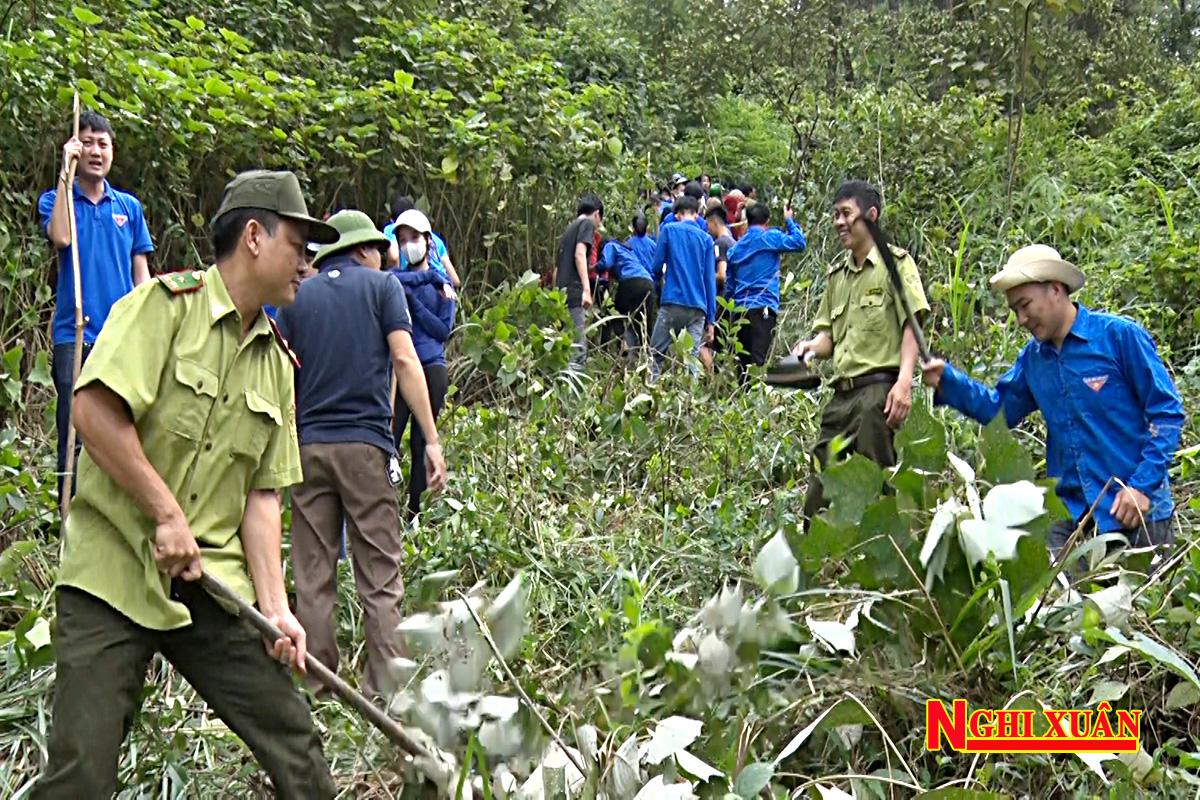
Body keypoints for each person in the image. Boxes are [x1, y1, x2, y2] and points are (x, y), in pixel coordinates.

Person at [31, 170, 340, 798]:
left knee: (296, 745)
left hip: (212, 583)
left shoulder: (278, 363)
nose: (305, 265)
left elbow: (261, 496)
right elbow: (93, 411)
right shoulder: (162, 309)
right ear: (254, 236)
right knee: (81, 773)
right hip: (114, 567)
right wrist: (165, 513)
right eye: (298, 247)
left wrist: (277, 610)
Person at [276, 208, 447, 698]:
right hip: (366, 446)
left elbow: (280, 371)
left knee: (312, 572)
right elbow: (404, 357)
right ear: (364, 251)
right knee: (379, 571)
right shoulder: (382, 288)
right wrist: (430, 439)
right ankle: (386, 689)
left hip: (307, 448)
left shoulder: (297, 296)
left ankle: (319, 685)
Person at [922, 244, 1184, 552]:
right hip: (1074, 519)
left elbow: (1166, 413)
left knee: (1145, 597)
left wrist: (1141, 486)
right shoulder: (1034, 360)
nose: (1021, 319)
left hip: (1136, 513)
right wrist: (949, 382)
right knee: (1062, 597)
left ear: (1056, 290)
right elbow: (998, 411)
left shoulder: (1117, 337)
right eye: (1015, 310)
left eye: (1025, 304)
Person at [791, 181, 928, 527]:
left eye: (846, 214)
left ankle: (886, 565)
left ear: (871, 216)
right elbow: (829, 337)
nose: (838, 222)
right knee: (822, 484)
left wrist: (904, 383)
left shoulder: (895, 265)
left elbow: (913, 324)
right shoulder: (837, 277)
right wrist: (810, 348)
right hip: (840, 399)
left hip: (877, 395)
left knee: (879, 486)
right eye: (835, 215)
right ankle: (816, 564)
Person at [38, 111, 154, 502]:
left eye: (102, 143)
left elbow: (142, 275)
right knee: (74, 431)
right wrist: (64, 173)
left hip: (120, 334)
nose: (95, 151)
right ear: (75, 148)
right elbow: (61, 237)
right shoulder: (57, 200)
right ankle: (68, 516)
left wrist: (148, 325)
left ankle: (112, 512)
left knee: (121, 427)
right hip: (76, 334)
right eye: (87, 142)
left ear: (112, 151)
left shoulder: (129, 208)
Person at [389, 209, 456, 519]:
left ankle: (414, 513)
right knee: (388, 438)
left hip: (430, 367)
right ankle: (381, 509)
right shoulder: (397, 281)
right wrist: (426, 278)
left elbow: (442, 331)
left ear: (428, 241)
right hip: (400, 369)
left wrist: (415, 304)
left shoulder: (444, 288)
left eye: (413, 238)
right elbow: (391, 277)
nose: (407, 245)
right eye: (402, 240)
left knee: (420, 442)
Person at [726, 202, 807, 377]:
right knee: (758, 363)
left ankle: (740, 400)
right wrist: (789, 221)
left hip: (740, 312)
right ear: (767, 220)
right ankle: (754, 401)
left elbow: (729, 287)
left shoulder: (735, 249)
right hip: (763, 309)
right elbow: (799, 243)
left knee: (742, 365)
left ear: (747, 220)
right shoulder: (771, 238)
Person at [647, 195, 717, 381]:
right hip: (698, 308)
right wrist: (711, 320)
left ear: (677, 214)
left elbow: (656, 266)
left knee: (655, 355)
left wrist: (658, 282)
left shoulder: (669, 230)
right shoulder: (707, 240)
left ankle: (650, 395)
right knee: (691, 360)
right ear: (696, 214)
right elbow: (710, 281)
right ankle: (689, 404)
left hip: (673, 301)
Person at [554, 195, 603, 369]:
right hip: (574, 291)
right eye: (599, 221)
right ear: (596, 214)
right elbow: (579, 254)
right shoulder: (587, 224)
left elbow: (558, 267)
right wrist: (586, 290)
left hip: (561, 292)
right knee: (578, 349)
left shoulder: (570, 228)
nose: (598, 226)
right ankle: (573, 393)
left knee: (566, 345)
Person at [383, 194, 462, 287]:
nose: (408, 244)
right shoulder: (436, 239)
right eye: (403, 240)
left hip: (413, 283)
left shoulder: (392, 229)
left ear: (392, 220)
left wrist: (393, 281)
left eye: (415, 237)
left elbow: (393, 257)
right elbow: (455, 280)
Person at [598, 234, 657, 352]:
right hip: (648, 283)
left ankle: (620, 343)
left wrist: (592, 267)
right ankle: (648, 354)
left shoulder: (610, 245)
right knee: (644, 321)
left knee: (615, 313)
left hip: (631, 282)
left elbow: (606, 263)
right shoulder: (628, 251)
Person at [699, 202, 735, 371]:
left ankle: (712, 381)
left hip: (721, 302)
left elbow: (722, 275)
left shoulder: (719, 244)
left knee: (705, 346)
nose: (707, 229)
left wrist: (702, 274)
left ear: (714, 222)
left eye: (707, 225)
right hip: (732, 302)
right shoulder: (733, 242)